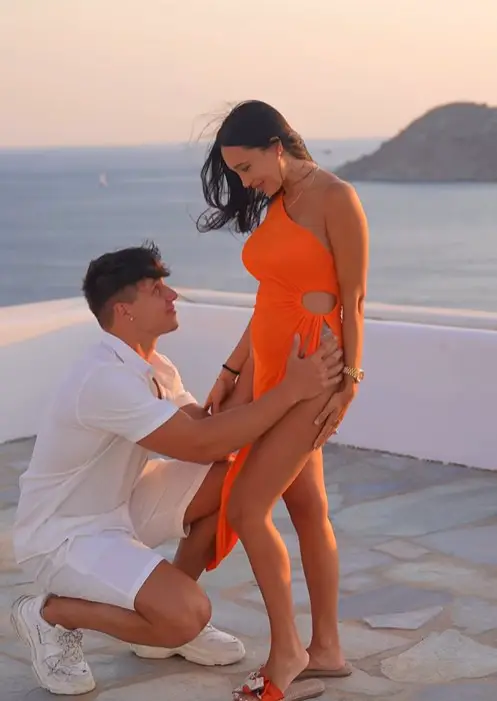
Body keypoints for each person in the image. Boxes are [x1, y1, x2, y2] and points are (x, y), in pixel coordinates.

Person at [11, 242, 345, 697]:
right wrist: (291, 391)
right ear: (124, 310)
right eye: (156, 290)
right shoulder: (104, 377)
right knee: (188, 615)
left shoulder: (155, 365)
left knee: (236, 481)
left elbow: (213, 439)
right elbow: (200, 443)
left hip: (121, 506)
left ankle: (160, 624)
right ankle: (50, 615)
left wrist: (250, 367)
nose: (173, 295)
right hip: (63, 536)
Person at [197, 100, 369, 700]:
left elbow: (354, 299)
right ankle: (327, 650)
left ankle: (288, 650)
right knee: (308, 509)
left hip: (312, 373)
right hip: (267, 372)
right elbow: (270, 298)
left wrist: (349, 381)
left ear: (276, 146)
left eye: (246, 168)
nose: (245, 182)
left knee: (247, 507)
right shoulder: (276, 201)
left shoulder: (336, 198)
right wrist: (232, 368)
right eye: (236, 173)